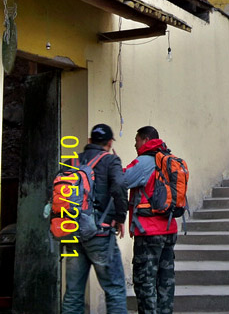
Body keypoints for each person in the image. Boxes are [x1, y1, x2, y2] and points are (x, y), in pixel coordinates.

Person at [62, 123, 128, 314]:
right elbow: (119, 186)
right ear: (109, 142)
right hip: (100, 234)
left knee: (73, 293)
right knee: (114, 289)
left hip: (73, 233)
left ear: (89, 141)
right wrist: (120, 217)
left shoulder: (73, 161)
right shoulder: (110, 160)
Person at [124, 125, 178, 314]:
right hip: (169, 229)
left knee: (144, 283)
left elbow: (122, 180)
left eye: (137, 140)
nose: (135, 144)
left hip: (149, 232)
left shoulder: (144, 162)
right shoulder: (168, 160)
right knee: (165, 282)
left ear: (145, 140)